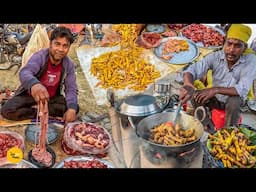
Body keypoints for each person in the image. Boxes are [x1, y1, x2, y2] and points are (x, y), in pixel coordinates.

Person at [179, 24, 256, 127]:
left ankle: (229, 130)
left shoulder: (250, 60)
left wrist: (215, 89)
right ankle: (207, 124)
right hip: (216, 98)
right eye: (229, 44)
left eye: (237, 46)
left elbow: (242, 89)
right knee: (194, 94)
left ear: (244, 47)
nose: (231, 49)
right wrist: (188, 84)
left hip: (235, 102)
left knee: (234, 100)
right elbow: (193, 69)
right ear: (224, 43)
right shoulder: (216, 56)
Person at [1, 26, 79, 124]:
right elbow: (25, 72)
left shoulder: (69, 64)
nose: (60, 49)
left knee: (74, 107)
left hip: (51, 98)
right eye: (57, 44)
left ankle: (37, 111)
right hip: (30, 96)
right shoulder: (40, 56)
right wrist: (34, 85)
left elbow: (71, 88)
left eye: (65, 46)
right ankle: (40, 112)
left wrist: (72, 109)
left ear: (69, 47)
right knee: (7, 110)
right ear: (50, 44)